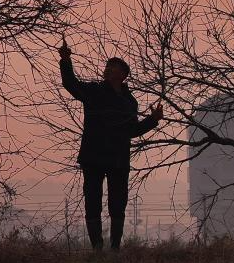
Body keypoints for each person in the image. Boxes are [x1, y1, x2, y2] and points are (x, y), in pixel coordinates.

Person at [58, 36, 163, 251]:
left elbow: (132, 131)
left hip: (118, 158)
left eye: (113, 68)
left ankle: (115, 248)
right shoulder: (95, 92)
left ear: (123, 75)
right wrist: (66, 61)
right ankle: (97, 248)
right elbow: (71, 84)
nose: (108, 70)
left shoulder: (129, 102)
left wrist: (153, 120)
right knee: (93, 203)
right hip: (94, 156)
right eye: (108, 67)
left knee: (118, 204)